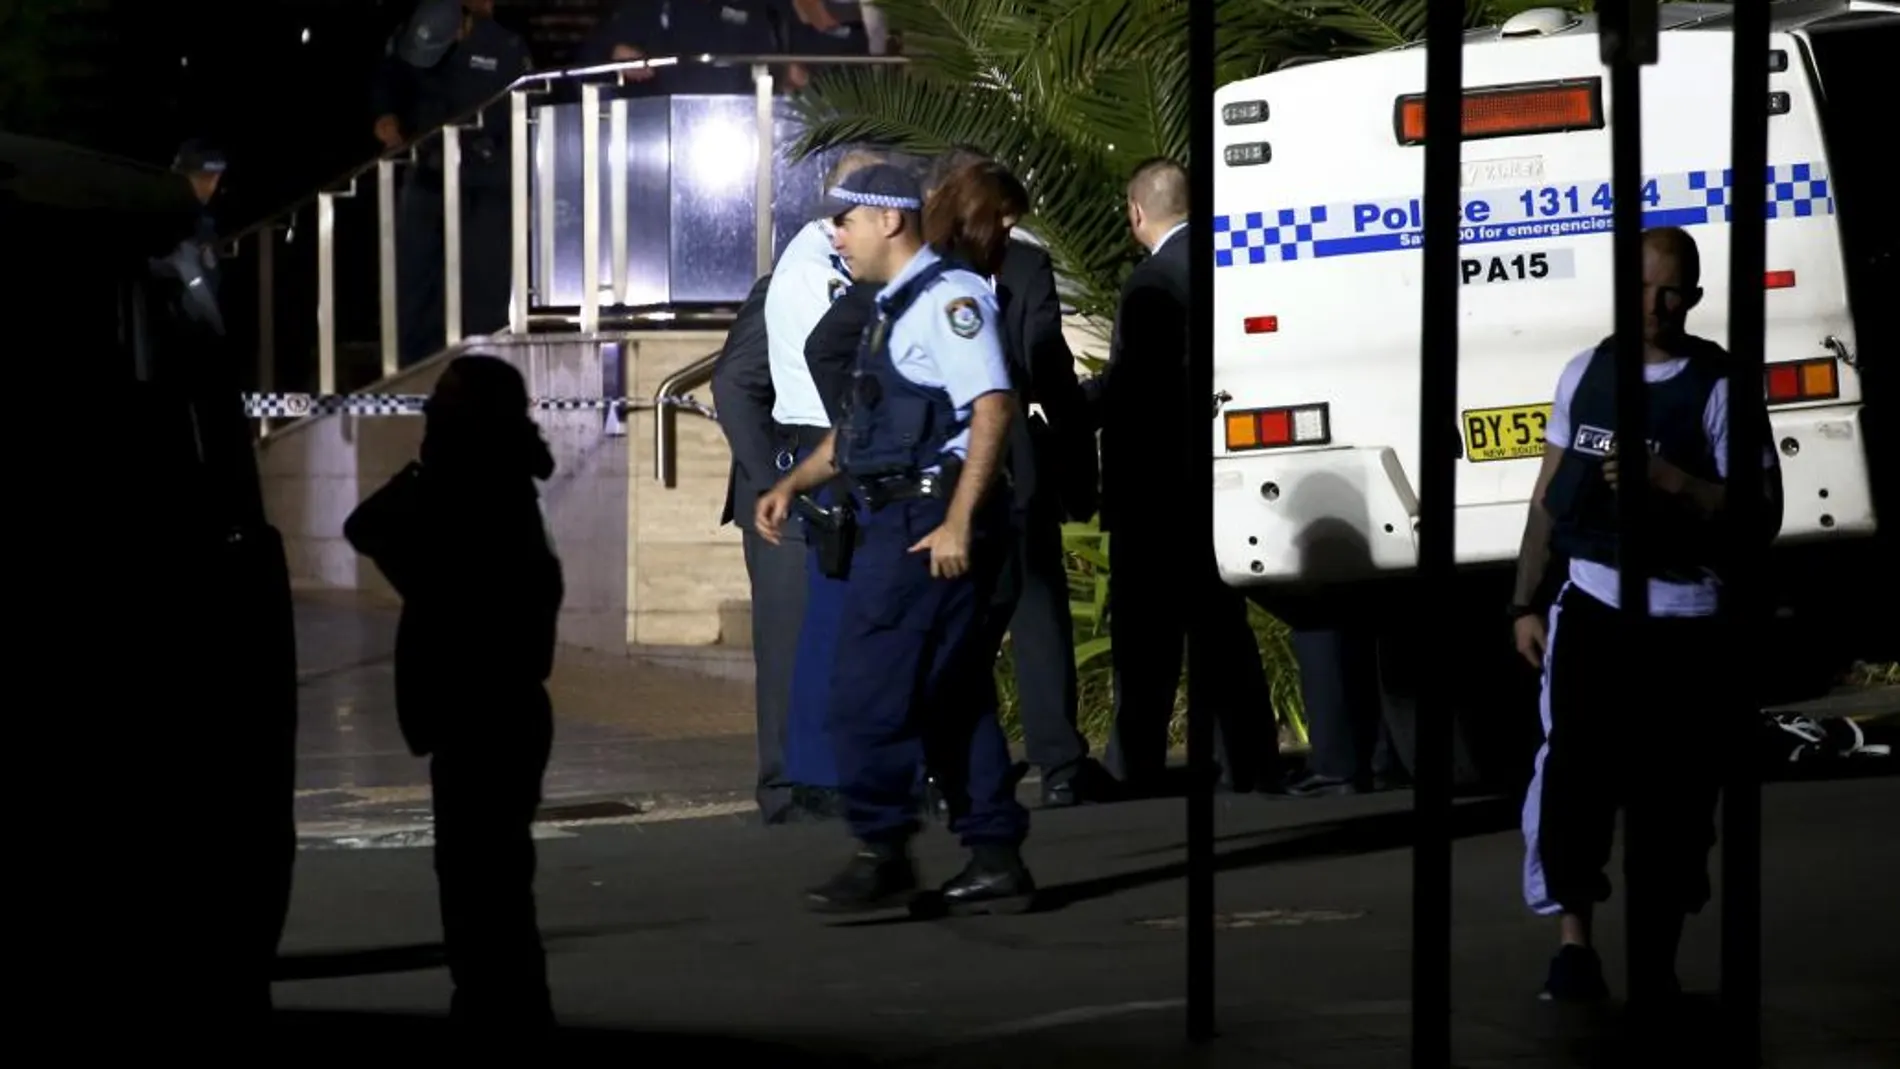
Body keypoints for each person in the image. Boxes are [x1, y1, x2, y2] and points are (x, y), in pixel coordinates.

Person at [1511, 226, 1782, 1003]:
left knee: (1674, 804)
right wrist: (1525, 600)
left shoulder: (1720, 386)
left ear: (1693, 297)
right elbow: (1546, 499)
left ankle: (1656, 962)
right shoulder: (1585, 374)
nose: (1654, 306)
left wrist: (1672, 482)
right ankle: (1574, 948)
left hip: (1688, 621)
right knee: (1573, 784)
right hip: (1593, 606)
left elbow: (1760, 511)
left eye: (1671, 291)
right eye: (1640, 289)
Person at [754, 162, 1034, 914]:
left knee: (865, 692)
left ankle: (882, 846)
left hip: (921, 523)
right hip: (897, 513)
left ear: (890, 219)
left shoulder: (948, 300)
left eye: (846, 219)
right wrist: (793, 483)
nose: (835, 234)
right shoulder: (890, 305)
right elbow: (860, 429)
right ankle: (994, 851)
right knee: (951, 694)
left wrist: (956, 518)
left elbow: (993, 407)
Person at [344, 354, 563, 1032]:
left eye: (442, 407)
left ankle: (500, 1015)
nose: (430, 419)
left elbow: (369, 526)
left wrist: (422, 471)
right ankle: (505, 1009)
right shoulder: (500, 483)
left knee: (481, 886)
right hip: (497, 709)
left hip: (483, 712)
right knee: (490, 883)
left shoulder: (472, 489)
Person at [922, 146, 1111, 808]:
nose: (1006, 232)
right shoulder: (967, 273)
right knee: (1010, 614)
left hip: (991, 463)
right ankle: (1027, 762)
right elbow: (1045, 369)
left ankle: (1025, 763)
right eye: (998, 217)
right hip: (980, 462)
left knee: (1011, 612)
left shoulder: (993, 267)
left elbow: (1048, 366)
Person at [1090, 157, 1282, 797]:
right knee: (1220, 629)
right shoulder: (1233, 262)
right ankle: (1251, 762)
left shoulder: (1150, 283)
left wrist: (1077, 408)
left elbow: (1138, 388)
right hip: (1213, 478)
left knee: (1145, 639)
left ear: (1135, 212)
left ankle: (1136, 766)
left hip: (1153, 483)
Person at [715, 149, 882, 824]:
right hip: (789, 481)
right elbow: (734, 381)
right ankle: (783, 788)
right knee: (787, 642)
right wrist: (773, 479)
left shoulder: (872, 282)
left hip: (833, 479)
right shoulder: (790, 284)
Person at [371, 0, 532, 366]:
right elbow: (388, 77)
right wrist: (385, 114)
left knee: (482, 285)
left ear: (462, 27)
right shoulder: (412, 35)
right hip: (428, 173)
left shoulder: (505, 48)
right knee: (413, 282)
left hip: (487, 183)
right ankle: (411, 370)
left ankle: (482, 367)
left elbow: (521, 116)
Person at [579, 0, 785, 94]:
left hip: (737, 128)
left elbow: (771, 64)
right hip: (662, 130)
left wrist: (784, 74)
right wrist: (615, 53)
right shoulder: (652, 6)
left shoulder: (753, 7)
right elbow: (592, 55)